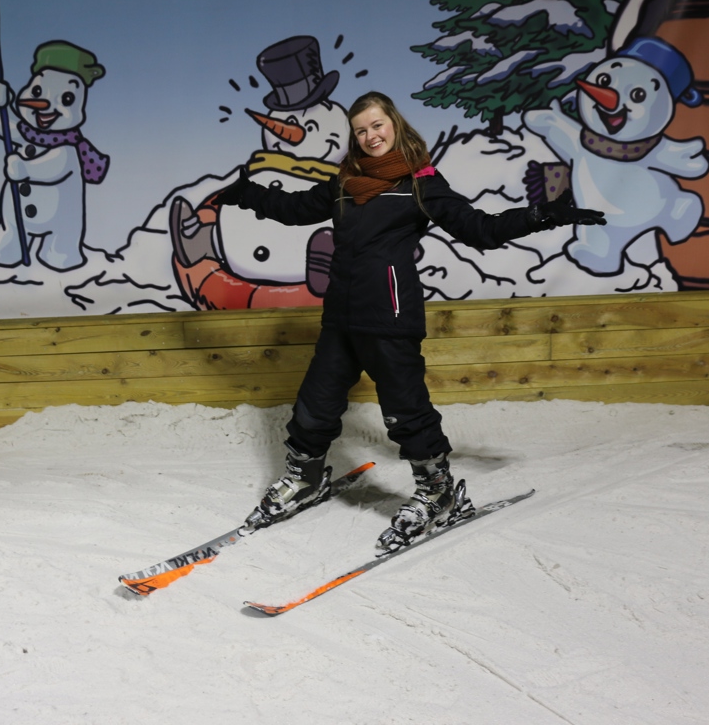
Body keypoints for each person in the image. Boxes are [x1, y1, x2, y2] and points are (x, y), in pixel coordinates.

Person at [213, 91, 606, 554]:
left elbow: (480, 229)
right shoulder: (345, 182)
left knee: (405, 410)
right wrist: (247, 193)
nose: (370, 136)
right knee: (313, 407)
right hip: (342, 317)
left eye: (377, 126)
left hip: (390, 316)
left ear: (394, 125)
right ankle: (304, 479)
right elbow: (296, 209)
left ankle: (437, 492)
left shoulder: (421, 182)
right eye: (361, 130)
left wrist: (543, 215)